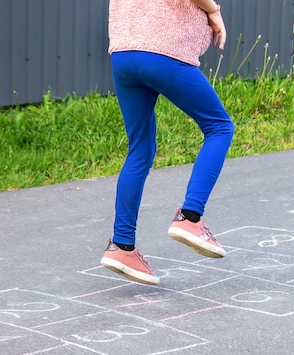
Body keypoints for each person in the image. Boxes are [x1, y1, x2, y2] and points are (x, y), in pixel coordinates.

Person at [100, 0, 235, 285]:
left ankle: (122, 246)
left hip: (123, 54)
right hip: (162, 51)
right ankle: (190, 216)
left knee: (140, 150)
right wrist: (213, 10)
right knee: (219, 127)